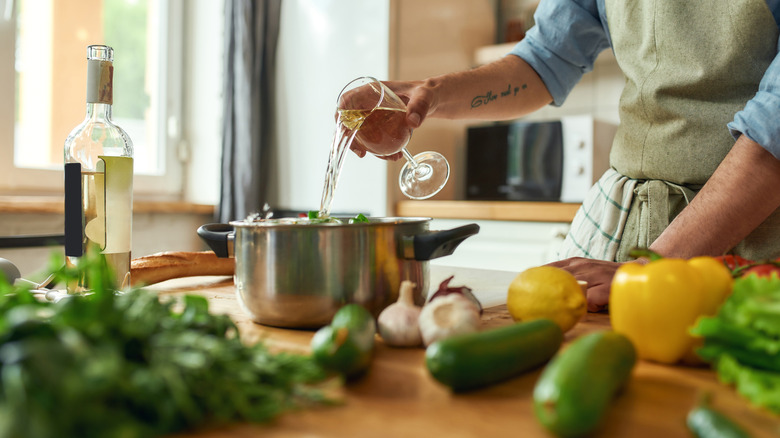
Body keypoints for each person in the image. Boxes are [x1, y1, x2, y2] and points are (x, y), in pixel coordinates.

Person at [350, 0, 780, 311]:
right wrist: (431, 95)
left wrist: (659, 265)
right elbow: (543, 60)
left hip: (750, 233)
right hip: (634, 228)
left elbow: (774, 128)